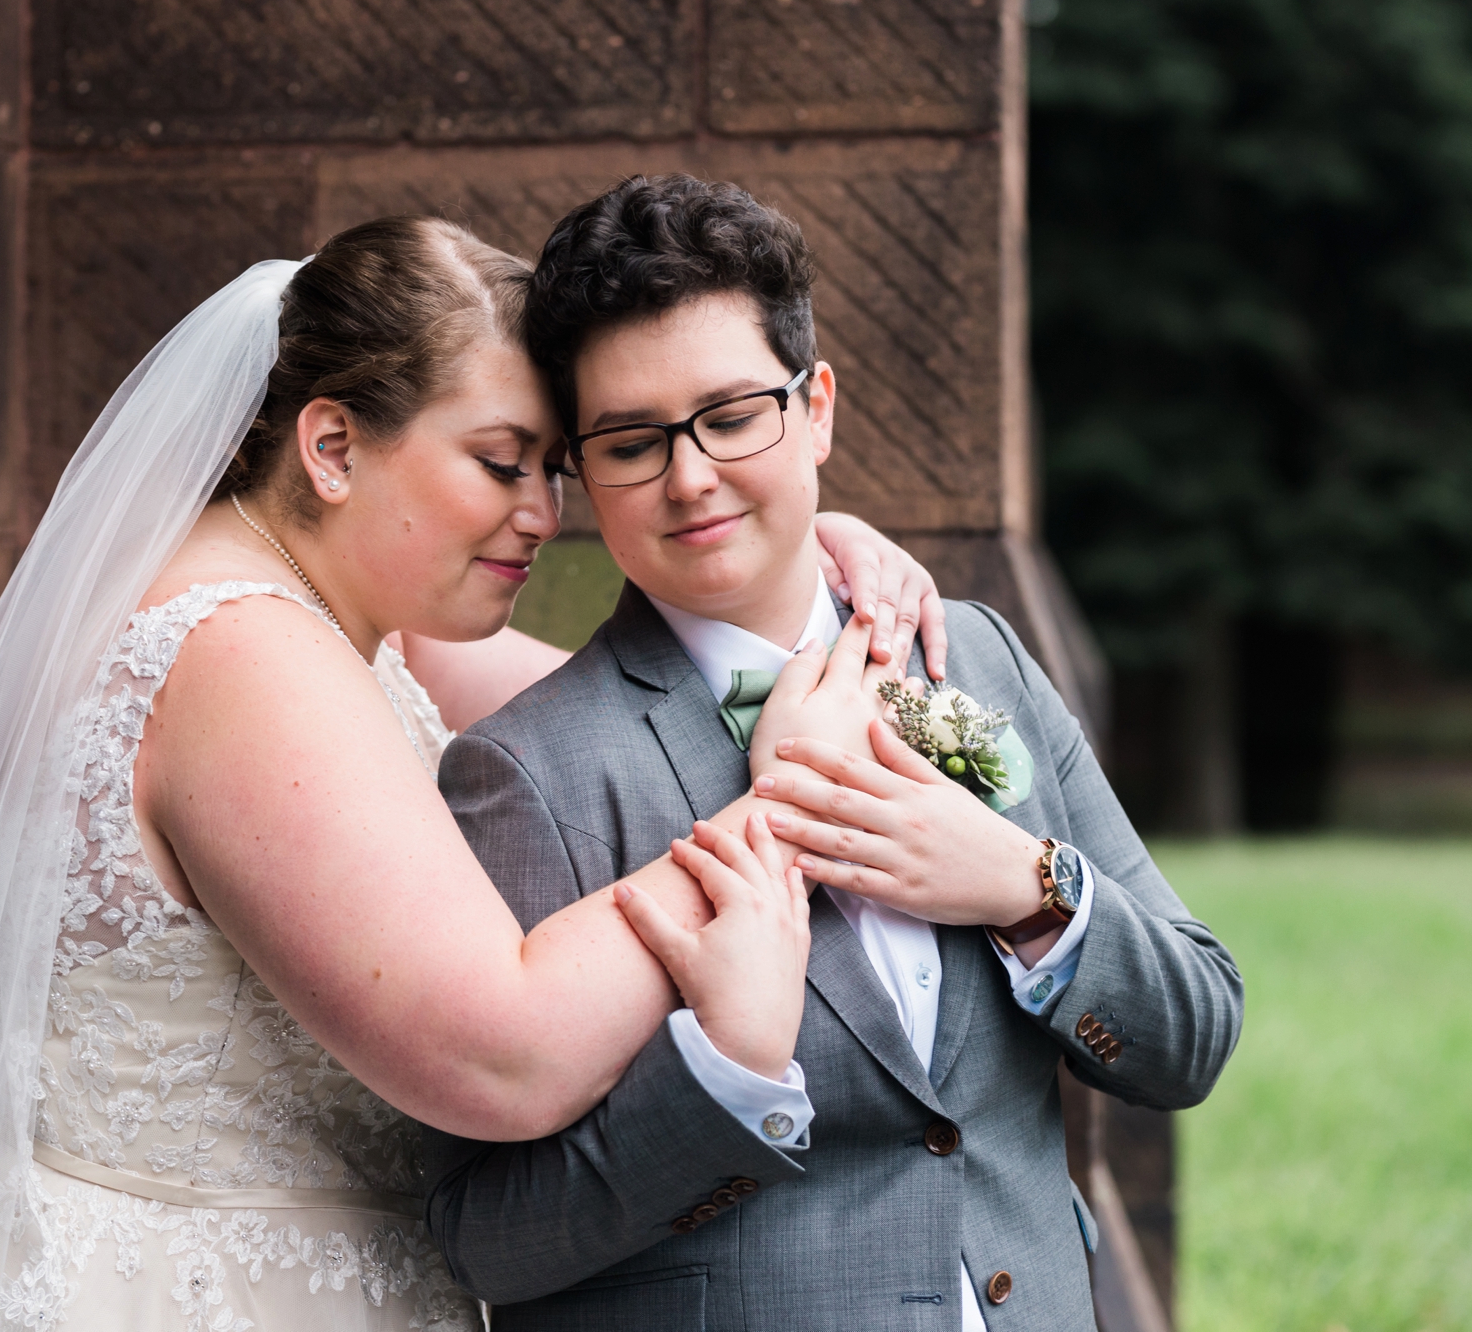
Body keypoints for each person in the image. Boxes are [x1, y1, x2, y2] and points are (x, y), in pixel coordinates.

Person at [0, 214, 950, 1332]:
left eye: (553, 471)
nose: (541, 512)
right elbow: (503, 1052)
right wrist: (795, 801)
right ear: (330, 446)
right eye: (499, 460)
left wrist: (791, 542)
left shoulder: (337, 617)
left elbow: (639, 704)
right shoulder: (242, 657)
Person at [420, 176, 1246, 1330]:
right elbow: (482, 1242)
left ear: (814, 408)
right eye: (630, 441)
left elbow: (1189, 1037)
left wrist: (1022, 888)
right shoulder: (530, 772)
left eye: (730, 415)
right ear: (581, 478)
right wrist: (725, 1076)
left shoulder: (975, 666)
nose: (690, 474)